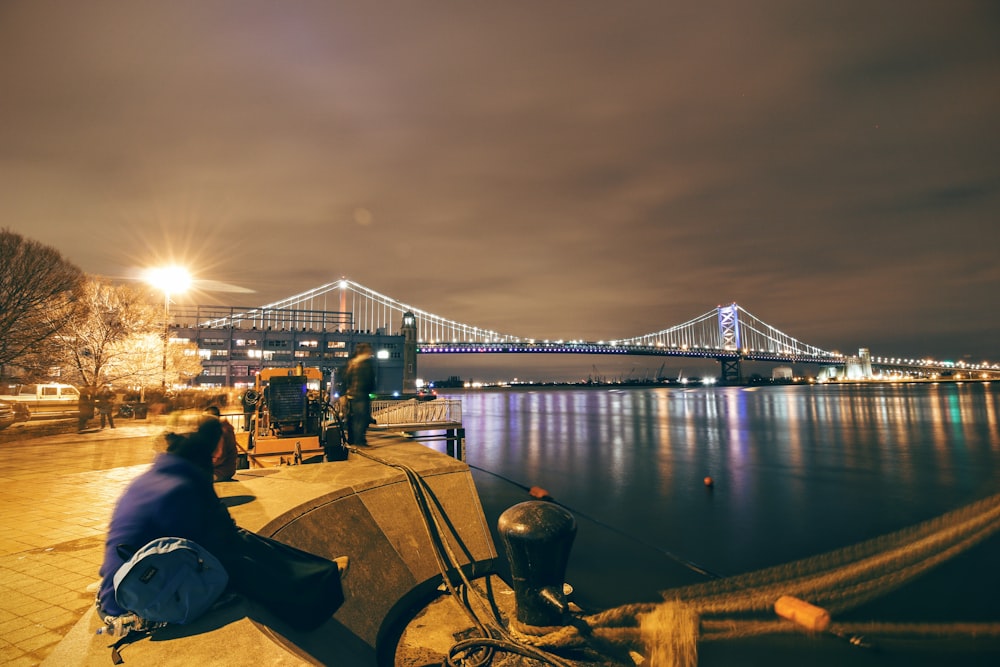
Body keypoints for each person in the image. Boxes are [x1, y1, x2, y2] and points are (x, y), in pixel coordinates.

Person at [97, 416, 348, 631]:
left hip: (121, 588)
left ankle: (319, 574)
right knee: (240, 560)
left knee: (241, 543)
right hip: (136, 599)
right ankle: (312, 594)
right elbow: (224, 537)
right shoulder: (183, 487)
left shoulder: (156, 477)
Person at [342, 342, 376, 446]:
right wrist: (371, 392)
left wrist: (345, 392)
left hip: (351, 395)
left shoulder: (352, 363)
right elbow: (370, 380)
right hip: (362, 395)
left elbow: (345, 378)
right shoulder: (366, 363)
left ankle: (351, 440)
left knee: (352, 418)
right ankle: (360, 441)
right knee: (363, 418)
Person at [204, 405, 238, 481]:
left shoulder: (222, 432)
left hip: (222, 471)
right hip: (219, 469)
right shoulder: (215, 430)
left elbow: (218, 458)